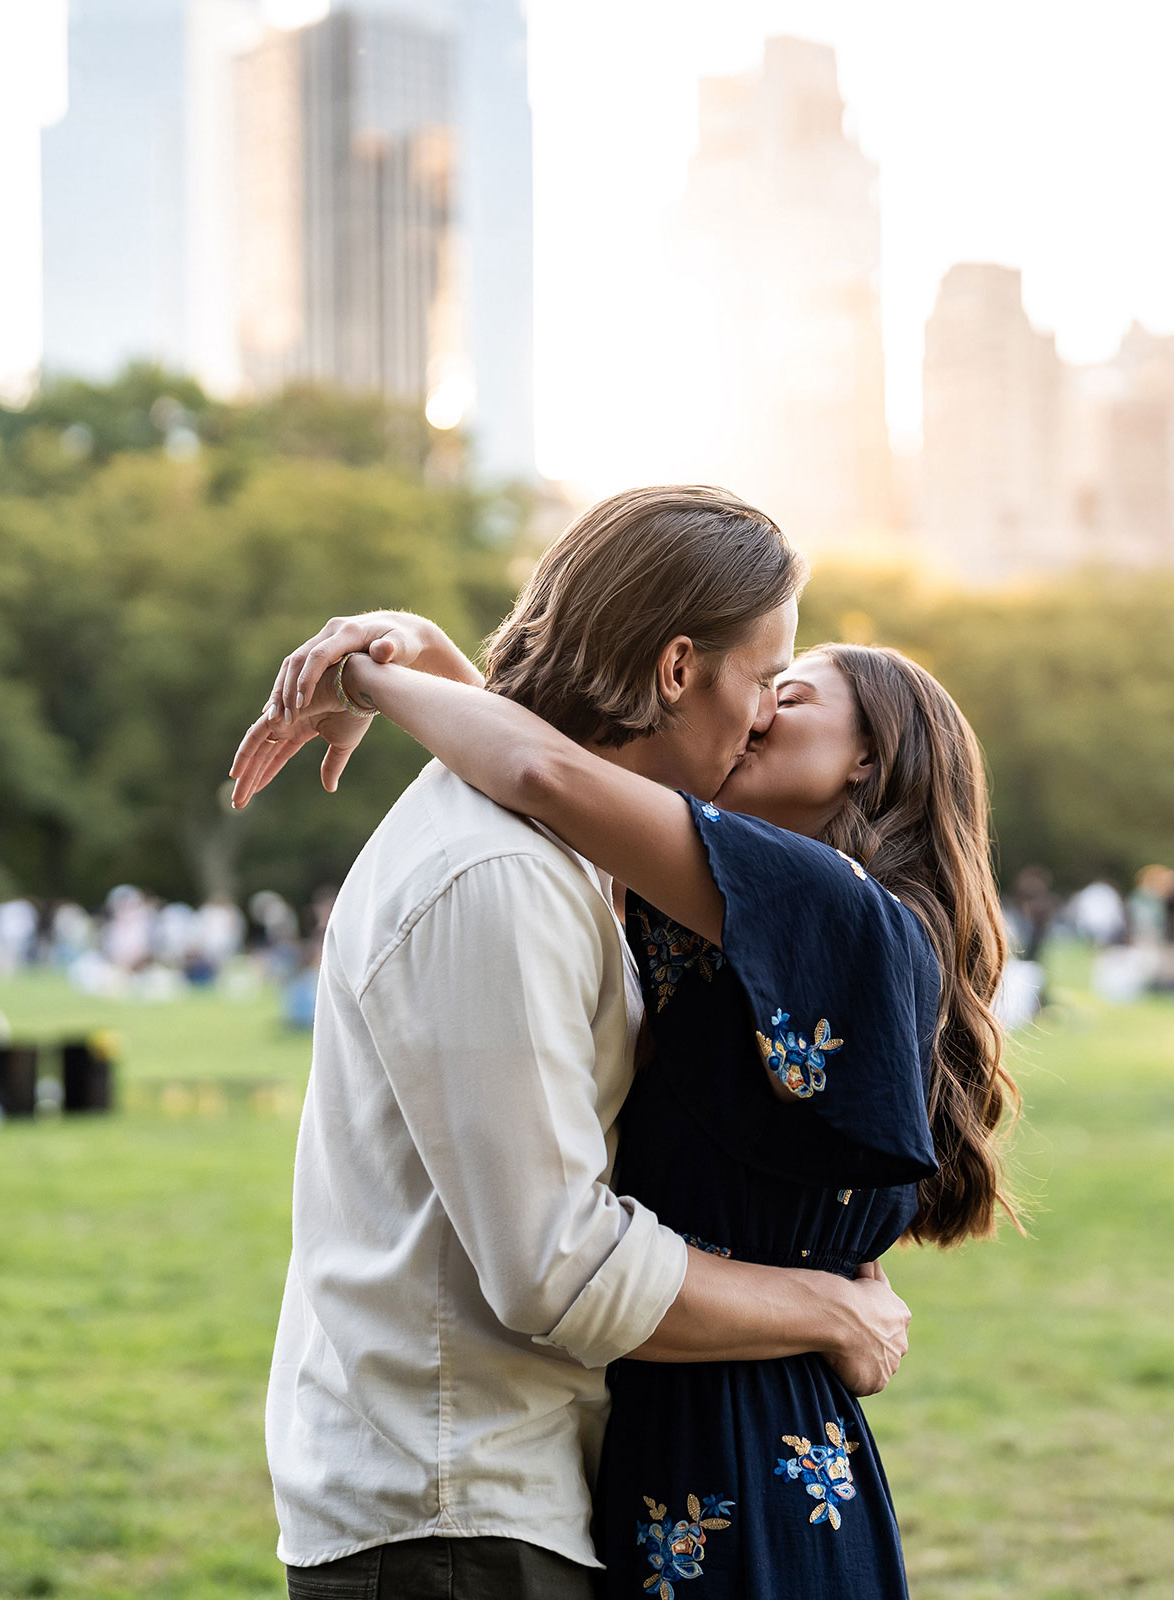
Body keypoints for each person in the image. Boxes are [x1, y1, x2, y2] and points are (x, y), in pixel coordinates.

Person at [225, 488, 941, 1600]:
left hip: (512, 1488)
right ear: (674, 668)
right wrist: (830, 1308)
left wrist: (410, 668)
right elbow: (560, 1267)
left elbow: (554, 771)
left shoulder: (660, 880)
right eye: (766, 679)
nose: (758, 719)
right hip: (457, 1506)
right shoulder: (504, 874)